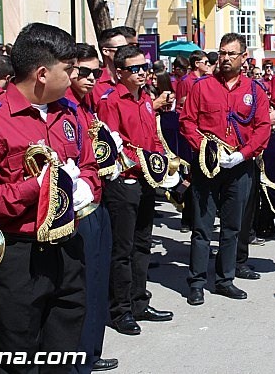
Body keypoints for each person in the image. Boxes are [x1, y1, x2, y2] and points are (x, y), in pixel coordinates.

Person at [0, 23, 100, 372]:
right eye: (68, 70)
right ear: (41, 73)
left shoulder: (70, 112)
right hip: (18, 255)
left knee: (63, 355)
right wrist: (38, 187)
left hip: (67, 248)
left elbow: (90, 167)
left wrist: (84, 188)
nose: (74, 77)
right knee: (17, 359)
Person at [180, 33, 270, 306]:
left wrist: (243, 154)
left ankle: (224, 279)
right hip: (207, 166)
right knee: (202, 226)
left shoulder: (255, 90)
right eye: (222, 53)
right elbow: (187, 121)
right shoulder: (202, 86)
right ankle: (196, 282)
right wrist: (207, 150)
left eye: (232, 53)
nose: (226, 58)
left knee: (232, 226)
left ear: (244, 57)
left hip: (238, 166)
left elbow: (263, 128)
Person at [98, 45, 174, 335]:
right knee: (123, 249)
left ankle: (140, 301)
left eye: (145, 67)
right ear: (120, 72)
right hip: (124, 181)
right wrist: (146, 158)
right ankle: (120, 310)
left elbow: (152, 137)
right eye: (135, 69)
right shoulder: (111, 100)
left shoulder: (145, 99)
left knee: (143, 245)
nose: (142, 73)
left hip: (145, 179)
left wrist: (160, 161)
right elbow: (113, 144)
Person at [66, 43, 119, 372]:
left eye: (95, 73)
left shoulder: (86, 106)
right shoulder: (67, 108)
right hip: (78, 209)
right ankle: (80, 355)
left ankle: (91, 351)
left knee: (98, 281)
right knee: (81, 287)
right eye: (82, 72)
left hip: (97, 201)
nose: (90, 78)